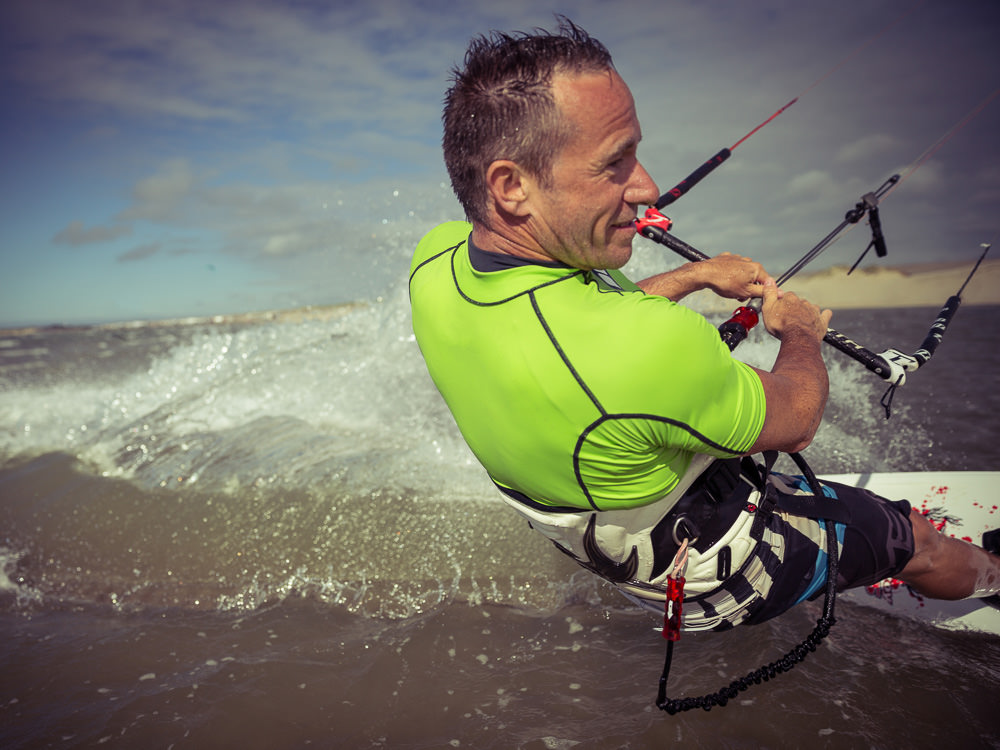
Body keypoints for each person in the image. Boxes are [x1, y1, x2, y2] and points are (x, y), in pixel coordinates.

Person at [408, 18, 1000, 631]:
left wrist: (693, 276)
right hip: (713, 578)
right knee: (915, 537)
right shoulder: (646, 350)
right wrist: (798, 332)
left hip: (602, 534)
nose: (648, 186)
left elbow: (581, 323)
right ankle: (991, 573)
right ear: (512, 186)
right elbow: (795, 420)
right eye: (615, 163)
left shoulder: (438, 259)